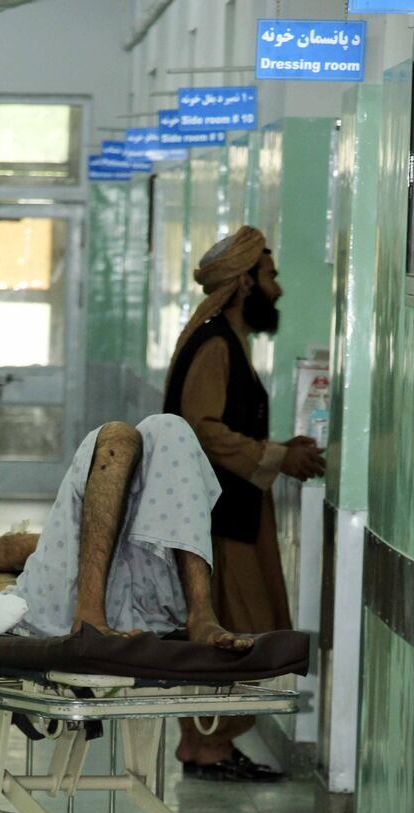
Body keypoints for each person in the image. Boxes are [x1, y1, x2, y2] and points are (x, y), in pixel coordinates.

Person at [0, 416, 254, 655]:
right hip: (52, 613)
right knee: (115, 435)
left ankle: (199, 612)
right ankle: (89, 620)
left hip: (134, 602)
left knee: (167, 426)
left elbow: (24, 548)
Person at [163, 225, 325, 782]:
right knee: (233, 629)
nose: (277, 290)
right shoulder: (214, 346)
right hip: (217, 520)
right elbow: (203, 429)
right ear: (242, 284)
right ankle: (205, 744)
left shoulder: (228, 344)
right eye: (270, 277)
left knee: (244, 625)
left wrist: (280, 452)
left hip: (236, 515)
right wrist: (276, 455)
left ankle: (207, 741)